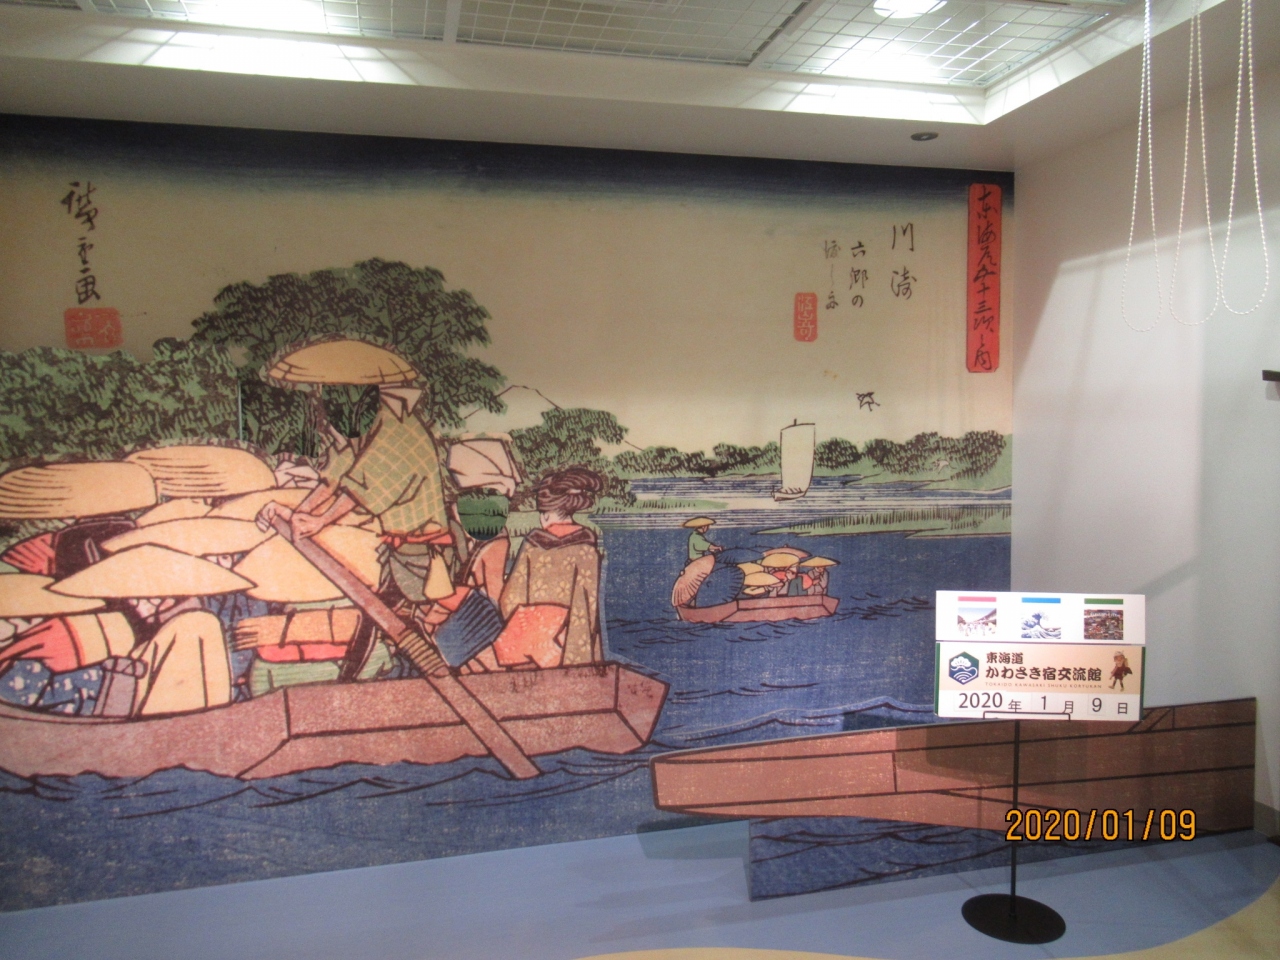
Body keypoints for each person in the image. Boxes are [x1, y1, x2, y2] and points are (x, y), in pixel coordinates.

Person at [475, 467, 606, 670]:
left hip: (534, 644)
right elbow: (586, 608)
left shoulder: (532, 546)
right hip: (571, 643)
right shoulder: (586, 550)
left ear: (545, 514)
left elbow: (510, 600)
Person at [671, 517, 722, 609]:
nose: (707, 528)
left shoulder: (695, 536)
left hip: (697, 563)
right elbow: (704, 545)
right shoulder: (696, 537)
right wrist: (716, 548)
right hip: (697, 565)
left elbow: (704, 546)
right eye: (707, 526)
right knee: (697, 585)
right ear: (703, 527)